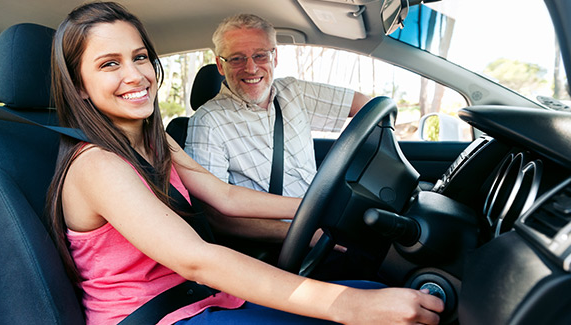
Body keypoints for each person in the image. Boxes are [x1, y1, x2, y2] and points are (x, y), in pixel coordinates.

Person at [46, 2, 444, 324]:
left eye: (140, 57)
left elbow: (226, 197)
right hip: (161, 315)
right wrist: (346, 306)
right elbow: (196, 258)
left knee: (373, 290)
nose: (136, 76)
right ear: (79, 85)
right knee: (362, 303)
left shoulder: (154, 140)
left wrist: (317, 207)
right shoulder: (97, 164)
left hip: (201, 299)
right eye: (109, 64)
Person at [184, 13, 371, 198]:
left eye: (260, 55)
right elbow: (217, 214)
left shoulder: (294, 91)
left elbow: (365, 105)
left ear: (274, 58)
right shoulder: (208, 123)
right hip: (289, 227)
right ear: (220, 65)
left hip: (322, 211)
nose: (251, 68)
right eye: (236, 59)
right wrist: (311, 229)